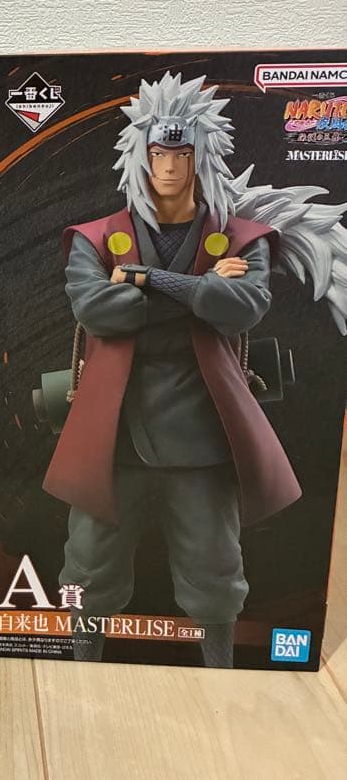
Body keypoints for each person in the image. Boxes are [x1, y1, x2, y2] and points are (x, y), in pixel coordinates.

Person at [43, 74, 303, 666]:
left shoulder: (242, 238)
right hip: (114, 432)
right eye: (158, 152)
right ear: (140, 154)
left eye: (181, 154)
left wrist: (150, 279)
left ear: (200, 156)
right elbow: (97, 311)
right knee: (88, 570)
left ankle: (221, 677)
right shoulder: (95, 238)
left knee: (216, 576)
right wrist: (200, 290)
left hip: (204, 430)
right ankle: (79, 670)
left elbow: (242, 309)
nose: (168, 165)